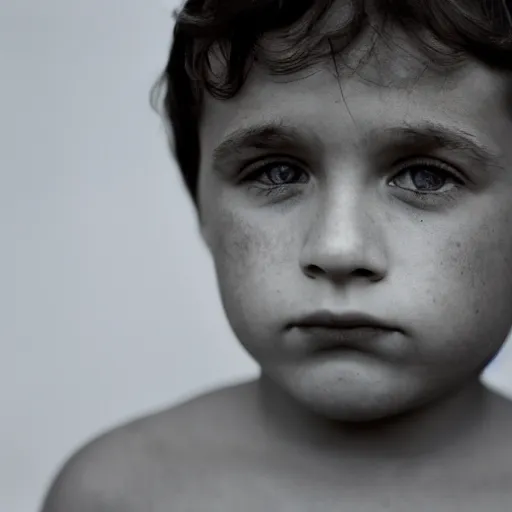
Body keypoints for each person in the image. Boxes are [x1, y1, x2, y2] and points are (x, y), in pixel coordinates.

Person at [41, 1, 512, 510]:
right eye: (277, 173)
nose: (338, 248)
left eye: (427, 177)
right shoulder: (116, 494)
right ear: (201, 205)